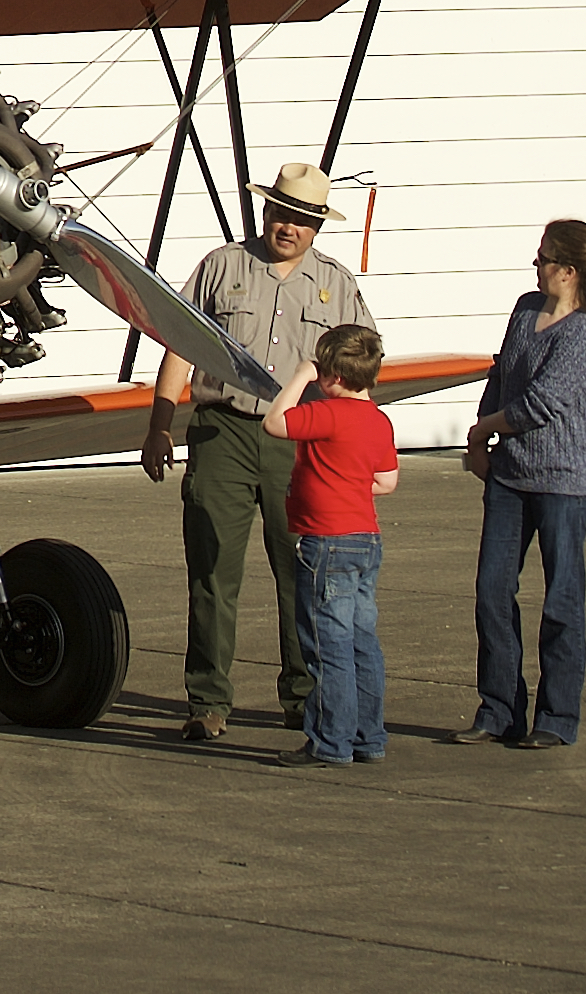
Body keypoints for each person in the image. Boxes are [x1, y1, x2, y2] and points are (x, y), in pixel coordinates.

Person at [139, 158, 366, 744]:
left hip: (299, 442)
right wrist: (160, 425)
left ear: (317, 225)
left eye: (301, 218)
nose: (287, 225)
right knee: (213, 567)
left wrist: (354, 442)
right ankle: (208, 699)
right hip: (223, 432)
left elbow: (363, 369)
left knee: (302, 571)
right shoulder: (221, 268)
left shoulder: (337, 284)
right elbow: (179, 347)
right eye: (279, 212)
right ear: (265, 209)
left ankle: (303, 695)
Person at [463, 216, 586, 751]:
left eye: (544, 258)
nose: (536, 265)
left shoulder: (585, 332)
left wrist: (486, 428)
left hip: (562, 482)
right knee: (491, 592)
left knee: (561, 600)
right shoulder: (526, 309)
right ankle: (500, 709)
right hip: (510, 476)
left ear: (569, 270)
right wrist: (480, 443)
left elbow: (541, 404)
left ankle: (557, 717)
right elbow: (503, 375)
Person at [251, 323, 400, 768]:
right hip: (365, 539)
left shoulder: (328, 413)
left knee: (326, 643)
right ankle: (368, 735)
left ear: (332, 375)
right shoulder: (378, 420)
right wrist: (348, 485)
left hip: (327, 541)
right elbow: (386, 482)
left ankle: (330, 741)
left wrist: (299, 377)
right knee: (361, 640)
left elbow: (274, 422)